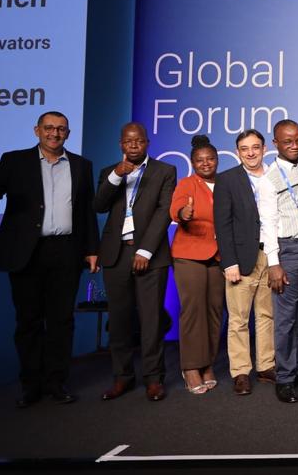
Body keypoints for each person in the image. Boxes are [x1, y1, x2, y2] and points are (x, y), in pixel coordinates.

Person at [0, 111, 98, 407]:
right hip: (26, 253)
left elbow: (86, 212)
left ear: (68, 134)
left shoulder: (81, 165)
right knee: (28, 321)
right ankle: (30, 385)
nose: (55, 133)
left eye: (61, 129)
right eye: (49, 128)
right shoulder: (14, 161)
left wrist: (92, 248)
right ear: (37, 130)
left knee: (61, 321)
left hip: (66, 251)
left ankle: (56, 382)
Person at [94, 122, 177, 402]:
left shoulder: (165, 171)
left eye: (138, 141)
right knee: (119, 320)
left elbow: (164, 212)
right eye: (128, 141)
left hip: (150, 256)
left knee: (151, 320)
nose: (133, 145)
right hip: (116, 254)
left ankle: (154, 378)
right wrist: (117, 176)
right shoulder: (109, 172)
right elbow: (99, 205)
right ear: (121, 144)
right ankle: (122, 377)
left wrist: (145, 251)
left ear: (147, 143)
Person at [258, 119, 298, 403]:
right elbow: (268, 223)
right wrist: (273, 263)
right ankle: (284, 378)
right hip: (288, 252)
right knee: (285, 320)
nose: (295, 145)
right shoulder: (268, 178)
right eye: (287, 141)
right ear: (275, 144)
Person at [213, 129, 276, 396]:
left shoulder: (275, 175)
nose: (251, 153)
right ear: (237, 152)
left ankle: (266, 365)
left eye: (255, 147)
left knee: (266, 315)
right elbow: (222, 224)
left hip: (271, 255)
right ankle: (240, 371)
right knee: (238, 319)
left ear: (264, 149)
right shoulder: (227, 180)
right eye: (244, 148)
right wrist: (229, 262)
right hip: (240, 258)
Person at [169, 135, 223, 395]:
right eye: (200, 160)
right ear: (193, 163)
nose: (205, 163)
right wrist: (183, 213)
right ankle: (191, 367)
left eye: (210, 159)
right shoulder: (186, 184)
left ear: (217, 160)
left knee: (214, 311)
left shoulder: (225, 183)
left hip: (219, 256)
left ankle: (207, 363)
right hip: (189, 254)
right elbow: (176, 208)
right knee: (193, 311)